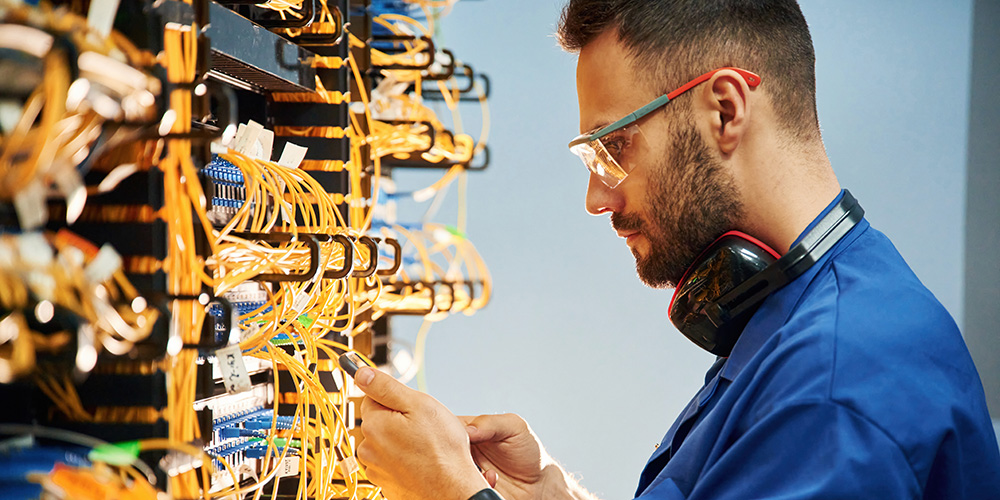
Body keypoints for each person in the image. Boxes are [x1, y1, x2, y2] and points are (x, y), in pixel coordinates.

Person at [352, 1, 1000, 499]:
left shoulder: (835, 391)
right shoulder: (801, 315)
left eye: (612, 149)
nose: (595, 200)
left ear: (724, 110)